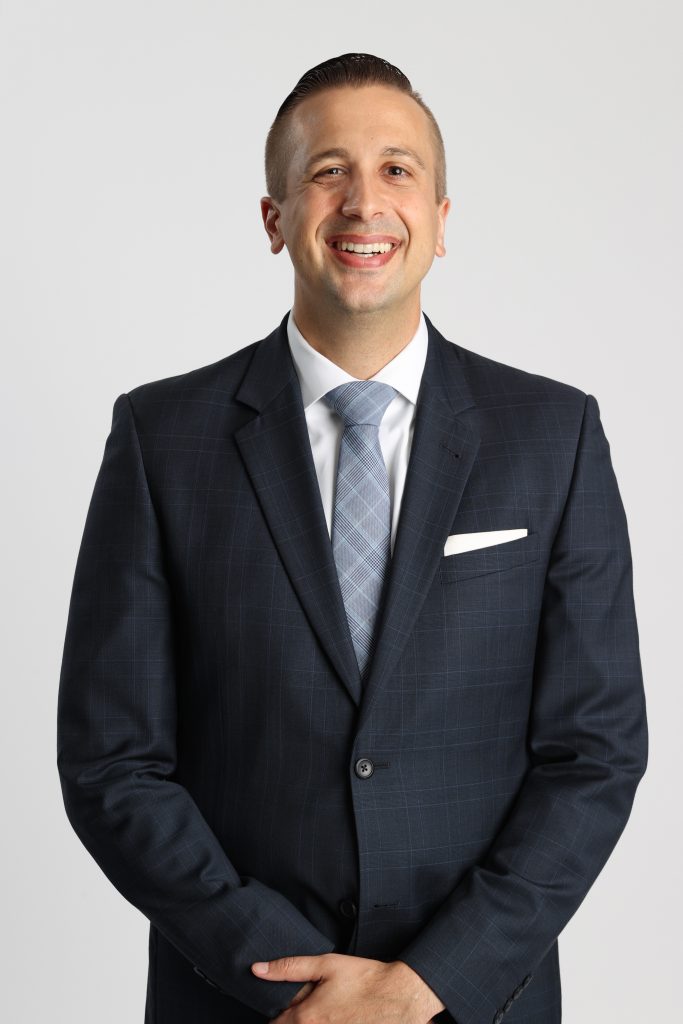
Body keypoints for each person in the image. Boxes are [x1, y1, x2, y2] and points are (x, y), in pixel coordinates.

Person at [56, 53, 648, 1024]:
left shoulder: (551, 435)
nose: (363, 201)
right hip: (241, 1002)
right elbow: (111, 756)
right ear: (274, 218)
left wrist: (423, 982)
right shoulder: (162, 438)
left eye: (397, 169)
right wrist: (280, 967)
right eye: (326, 170)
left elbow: (593, 750)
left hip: (473, 1001)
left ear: (442, 223)